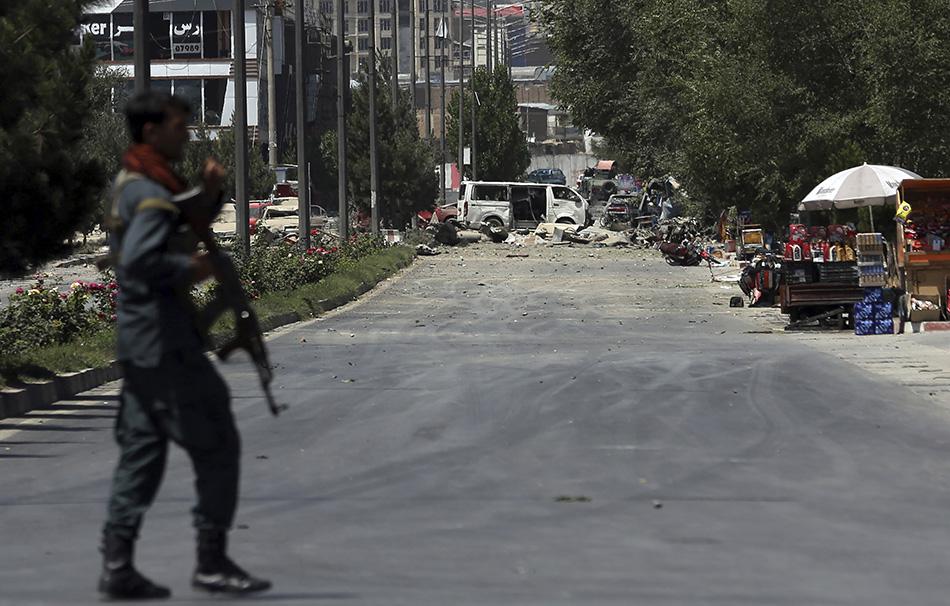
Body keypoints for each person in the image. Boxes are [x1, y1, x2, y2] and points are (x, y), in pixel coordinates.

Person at [98, 91, 271, 600]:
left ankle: (117, 564)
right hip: (165, 342)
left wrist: (211, 194)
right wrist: (192, 268)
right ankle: (211, 560)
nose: (187, 135)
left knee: (142, 452)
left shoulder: (144, 181)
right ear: (151, 131)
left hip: (143, 341)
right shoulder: (147, 191)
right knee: (217, 441)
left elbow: (180, 219)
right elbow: (140, 261)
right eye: (179, 127)